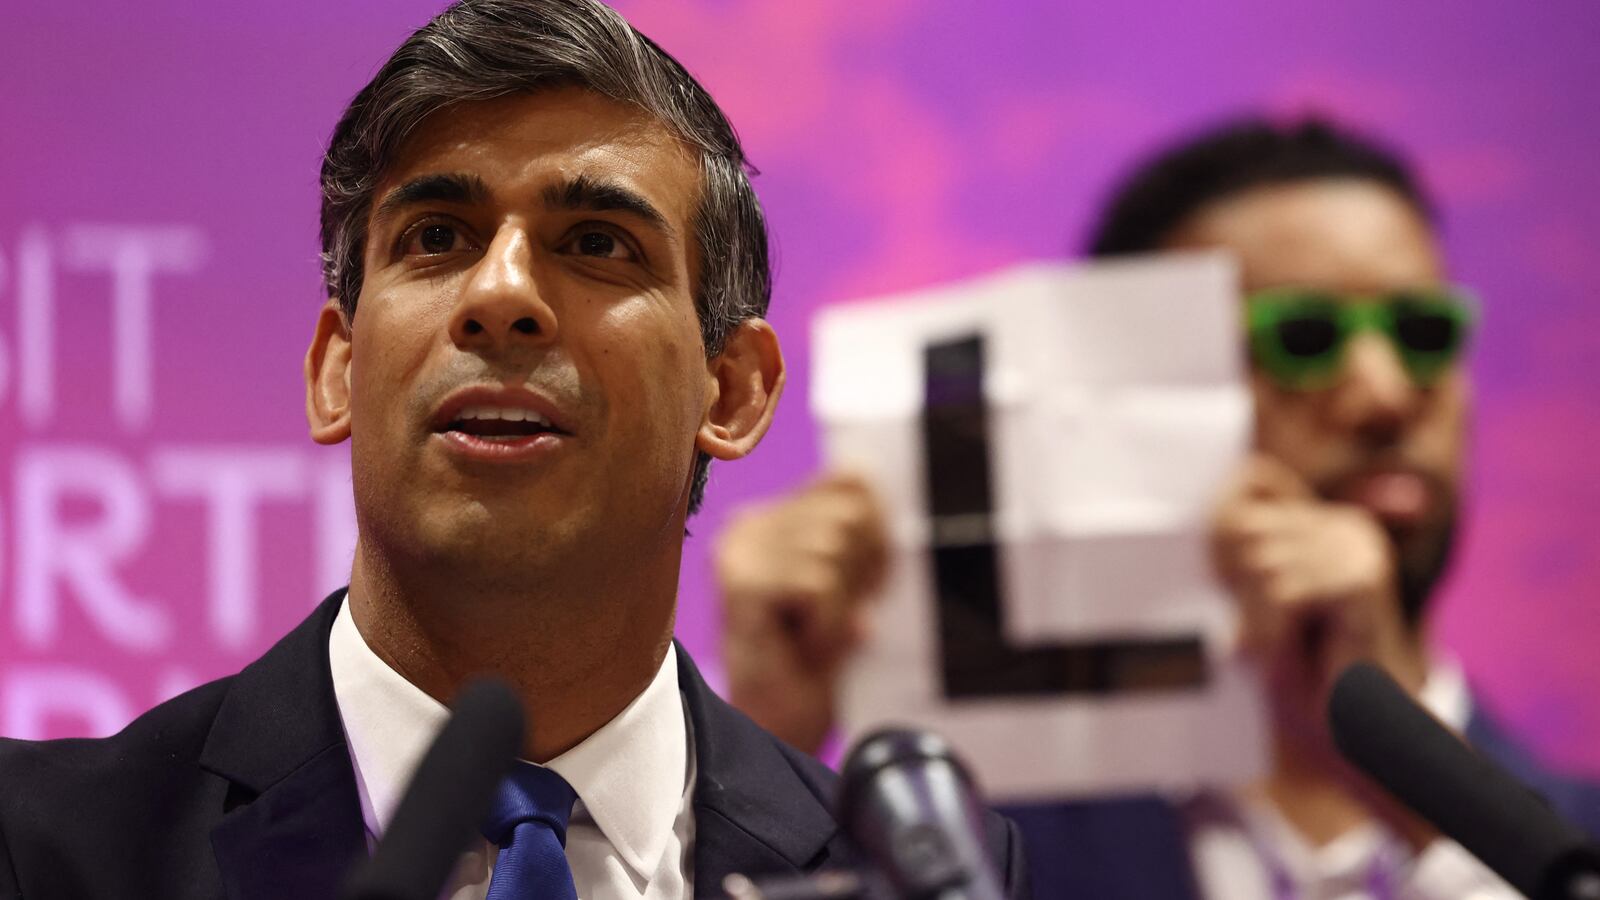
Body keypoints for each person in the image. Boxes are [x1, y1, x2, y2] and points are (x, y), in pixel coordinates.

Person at [0, 3, 1033, 898]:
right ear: (334, 372)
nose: (500, 297)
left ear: (732, 388)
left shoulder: (930, 877)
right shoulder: (41, 849)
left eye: (595, 244)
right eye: (437, 236)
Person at [716, 118, 1600, 898]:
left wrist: (1412, 772)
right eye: (1300, 337)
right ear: (1123, 409)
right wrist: (749, 758)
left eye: (1422, 332)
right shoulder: (965, 859)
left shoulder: (1577, 849)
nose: (1382, 393)